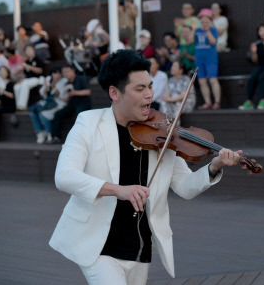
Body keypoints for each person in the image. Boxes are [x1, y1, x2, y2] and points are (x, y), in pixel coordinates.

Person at [49, 49, 242, 285]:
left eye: (150, 86)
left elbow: (185, 186)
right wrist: (119, 190)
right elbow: (64, 176)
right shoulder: (88, 124)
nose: (149, 95)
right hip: (99, 245)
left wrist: (215, 166)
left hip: (140, 248)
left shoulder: (162, 132)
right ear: (114, 93)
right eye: (139, 89)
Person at [49, 64, 92, 144]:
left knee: (78, 115)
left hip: (83, 103)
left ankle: (79, 139)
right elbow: (67, 100)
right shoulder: (67, 83)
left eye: (67, 71)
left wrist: (75, 92)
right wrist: (58, 95)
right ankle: (55, 137)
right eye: (64, 72)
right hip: (72, 104)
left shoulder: (81, 79)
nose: (65, 74)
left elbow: (88, 91)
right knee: (57, 114)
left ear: (73, 71)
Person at [28, 67, 69, 144]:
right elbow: (42, 93)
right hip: (48, 103)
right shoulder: (48, 79)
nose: (57, 75)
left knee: (42, 114)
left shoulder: (63, 81)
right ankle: (40, 132)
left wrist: (55, 90)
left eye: (58, 73)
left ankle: (49, 133)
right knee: (33, 112)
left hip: (58, 104)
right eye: (55, 73)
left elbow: (64, 98)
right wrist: (47, 87)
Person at [194, 8, 221, 110]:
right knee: (201, 81)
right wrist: (192, 28)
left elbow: (213, 42)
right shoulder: (196, 30)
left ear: (210, 19)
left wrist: (208, 30)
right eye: (202, 18)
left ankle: (217, 102)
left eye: (206, 17)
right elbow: (190, 41)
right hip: (199, 58)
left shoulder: (213, 29)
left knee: (213, 79)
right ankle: (207, 102)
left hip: (210, 58)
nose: (204, 20)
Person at [14, 44, 45, 111]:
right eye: (27, 50)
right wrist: (20, 81)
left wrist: (29, 67)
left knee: (25, 85)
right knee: (16, 87)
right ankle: (18, 106)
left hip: (36, 79)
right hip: (27, 79)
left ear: (34, 50)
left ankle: (22, 106)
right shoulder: (26, 61)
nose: (29, 51)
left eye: (30, 49)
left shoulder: (38, 59)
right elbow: (25, 74)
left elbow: (40, 71)